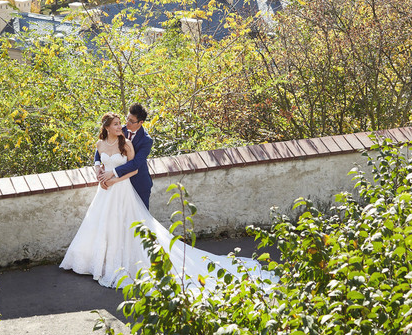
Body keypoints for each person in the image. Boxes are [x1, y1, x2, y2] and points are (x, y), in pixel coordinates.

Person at [60, 112, 274, 291]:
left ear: (140, 122)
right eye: (120, 122)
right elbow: (99, 155)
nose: (124, 125)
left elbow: (135, 166)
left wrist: (113, 177)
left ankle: (129, 262)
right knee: (103, 223)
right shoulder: (109, 137)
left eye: (128, 121)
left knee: (133, 223)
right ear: (108, 127)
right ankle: (100, 261)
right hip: (105, 190)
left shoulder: (138, 141)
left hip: (126, 186)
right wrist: (99, 172)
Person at [98, 103, 152, 207]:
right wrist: (97, 165)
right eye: (127, 118)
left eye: (131, 121)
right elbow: (103, 145)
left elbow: (135, 163)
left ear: (141, 122)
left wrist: (113, 172)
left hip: (139, 183)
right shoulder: (119, 129)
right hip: (118, 186)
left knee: (139, 219)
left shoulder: (146, 140)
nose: (127, 123)